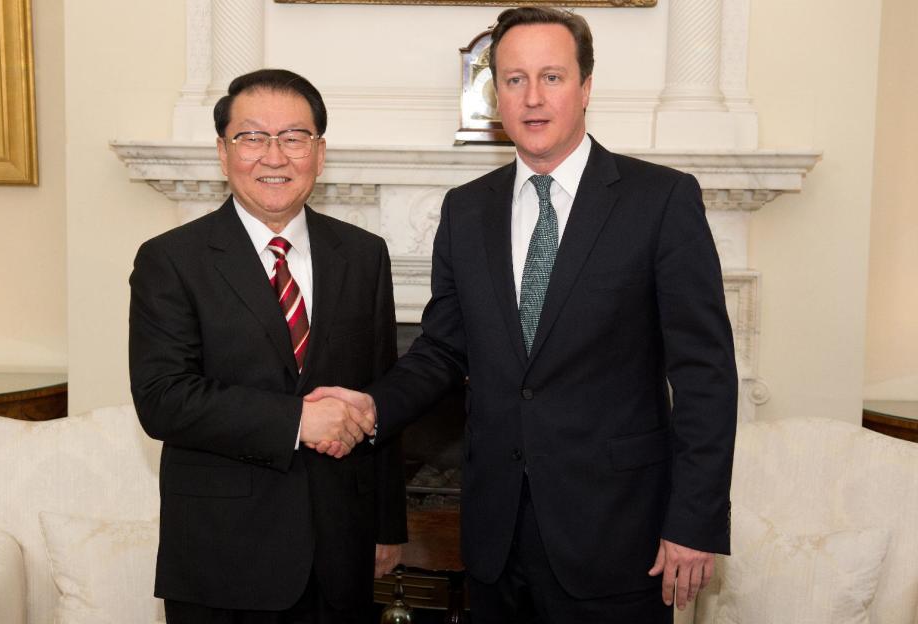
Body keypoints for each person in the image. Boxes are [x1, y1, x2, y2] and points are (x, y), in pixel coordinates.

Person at [308, 7, 738, 623]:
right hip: (494, 540)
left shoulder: (662, 200)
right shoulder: (465, 211)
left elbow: (705, 374)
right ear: (496, 93)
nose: (532, 98)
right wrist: (374, 407)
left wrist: (694, 520)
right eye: (513, 79)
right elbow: (442, 350)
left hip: (618, 538)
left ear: (587, 87)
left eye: (552, 77)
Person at [129, 68, 406, 624]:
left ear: (319, 153)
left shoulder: (364, 254)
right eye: (252, 137)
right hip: (222, 559)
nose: (274, 157)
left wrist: (386, 526)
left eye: (294, 138)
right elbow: (163, 398)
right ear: (223, 152)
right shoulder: (171, 260)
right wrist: (296, 422)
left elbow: (382, 393)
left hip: (340, 554)